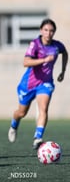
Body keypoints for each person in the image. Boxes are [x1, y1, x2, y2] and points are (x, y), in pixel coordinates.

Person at [8, 18, 67, 149]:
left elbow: (65, 53)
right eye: (46, 30)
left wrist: (63, 71)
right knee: (21, 113)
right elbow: (26, 62)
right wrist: (44, 60)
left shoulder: (57, 46)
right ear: (41, 30)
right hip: (29, 84)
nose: (48, 33)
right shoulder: (35, 44)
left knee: (43, 108)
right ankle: (14, 125)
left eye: (51, 31)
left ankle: (38, 137)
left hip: (45, 83)